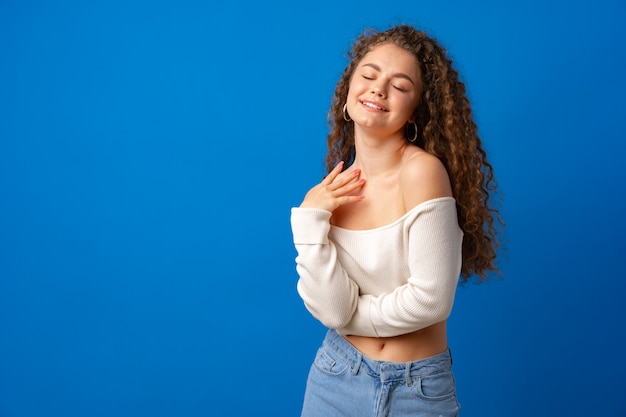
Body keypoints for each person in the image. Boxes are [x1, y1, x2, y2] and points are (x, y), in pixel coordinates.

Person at [290, 24, 502, 417]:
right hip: (334, 377)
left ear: (416, 111)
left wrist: (354, 316)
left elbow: (431, 301)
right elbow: (334, 313)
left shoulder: (422, 173)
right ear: (347, 93)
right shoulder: (330, 193)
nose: (378, 89)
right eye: (368, 76)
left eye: (400, 86)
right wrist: (308, 222)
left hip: (414, 389)